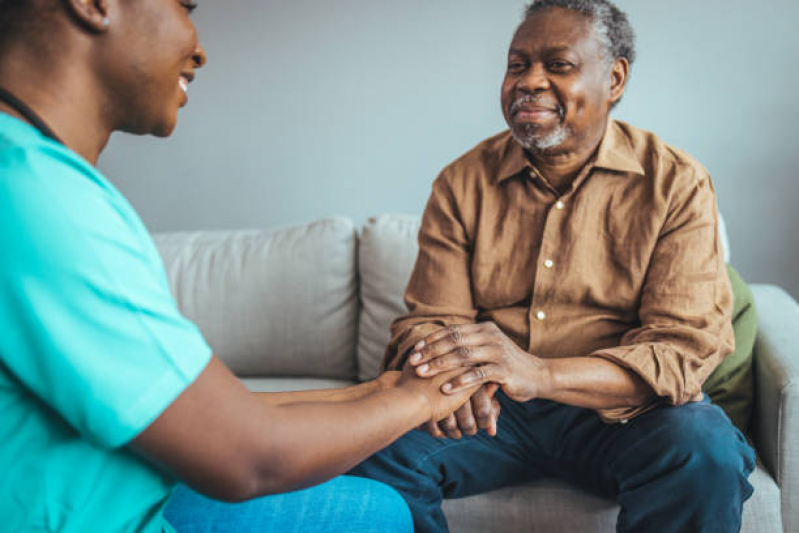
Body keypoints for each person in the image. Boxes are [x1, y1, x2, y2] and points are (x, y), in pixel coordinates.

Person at [0, 1, 480, 531]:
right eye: (185, 6)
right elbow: (247, 458)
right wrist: (420, 398)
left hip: (101, 485)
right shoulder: (40, 198)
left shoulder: (28, 174)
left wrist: (386, 390)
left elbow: (209, 414)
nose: (200, 50)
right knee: (381, 515)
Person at [349, 1, 756, 531]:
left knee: (705, 450)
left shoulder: (676, 183)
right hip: (494, 413)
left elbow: (681, 351)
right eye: (517, 65)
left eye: (557, 65)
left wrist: (538, 374)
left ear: (614, 78)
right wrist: (456, 379)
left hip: (622, 415)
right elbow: (430, 319)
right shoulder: (462, 182)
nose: (529, 82)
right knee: (364, 446)